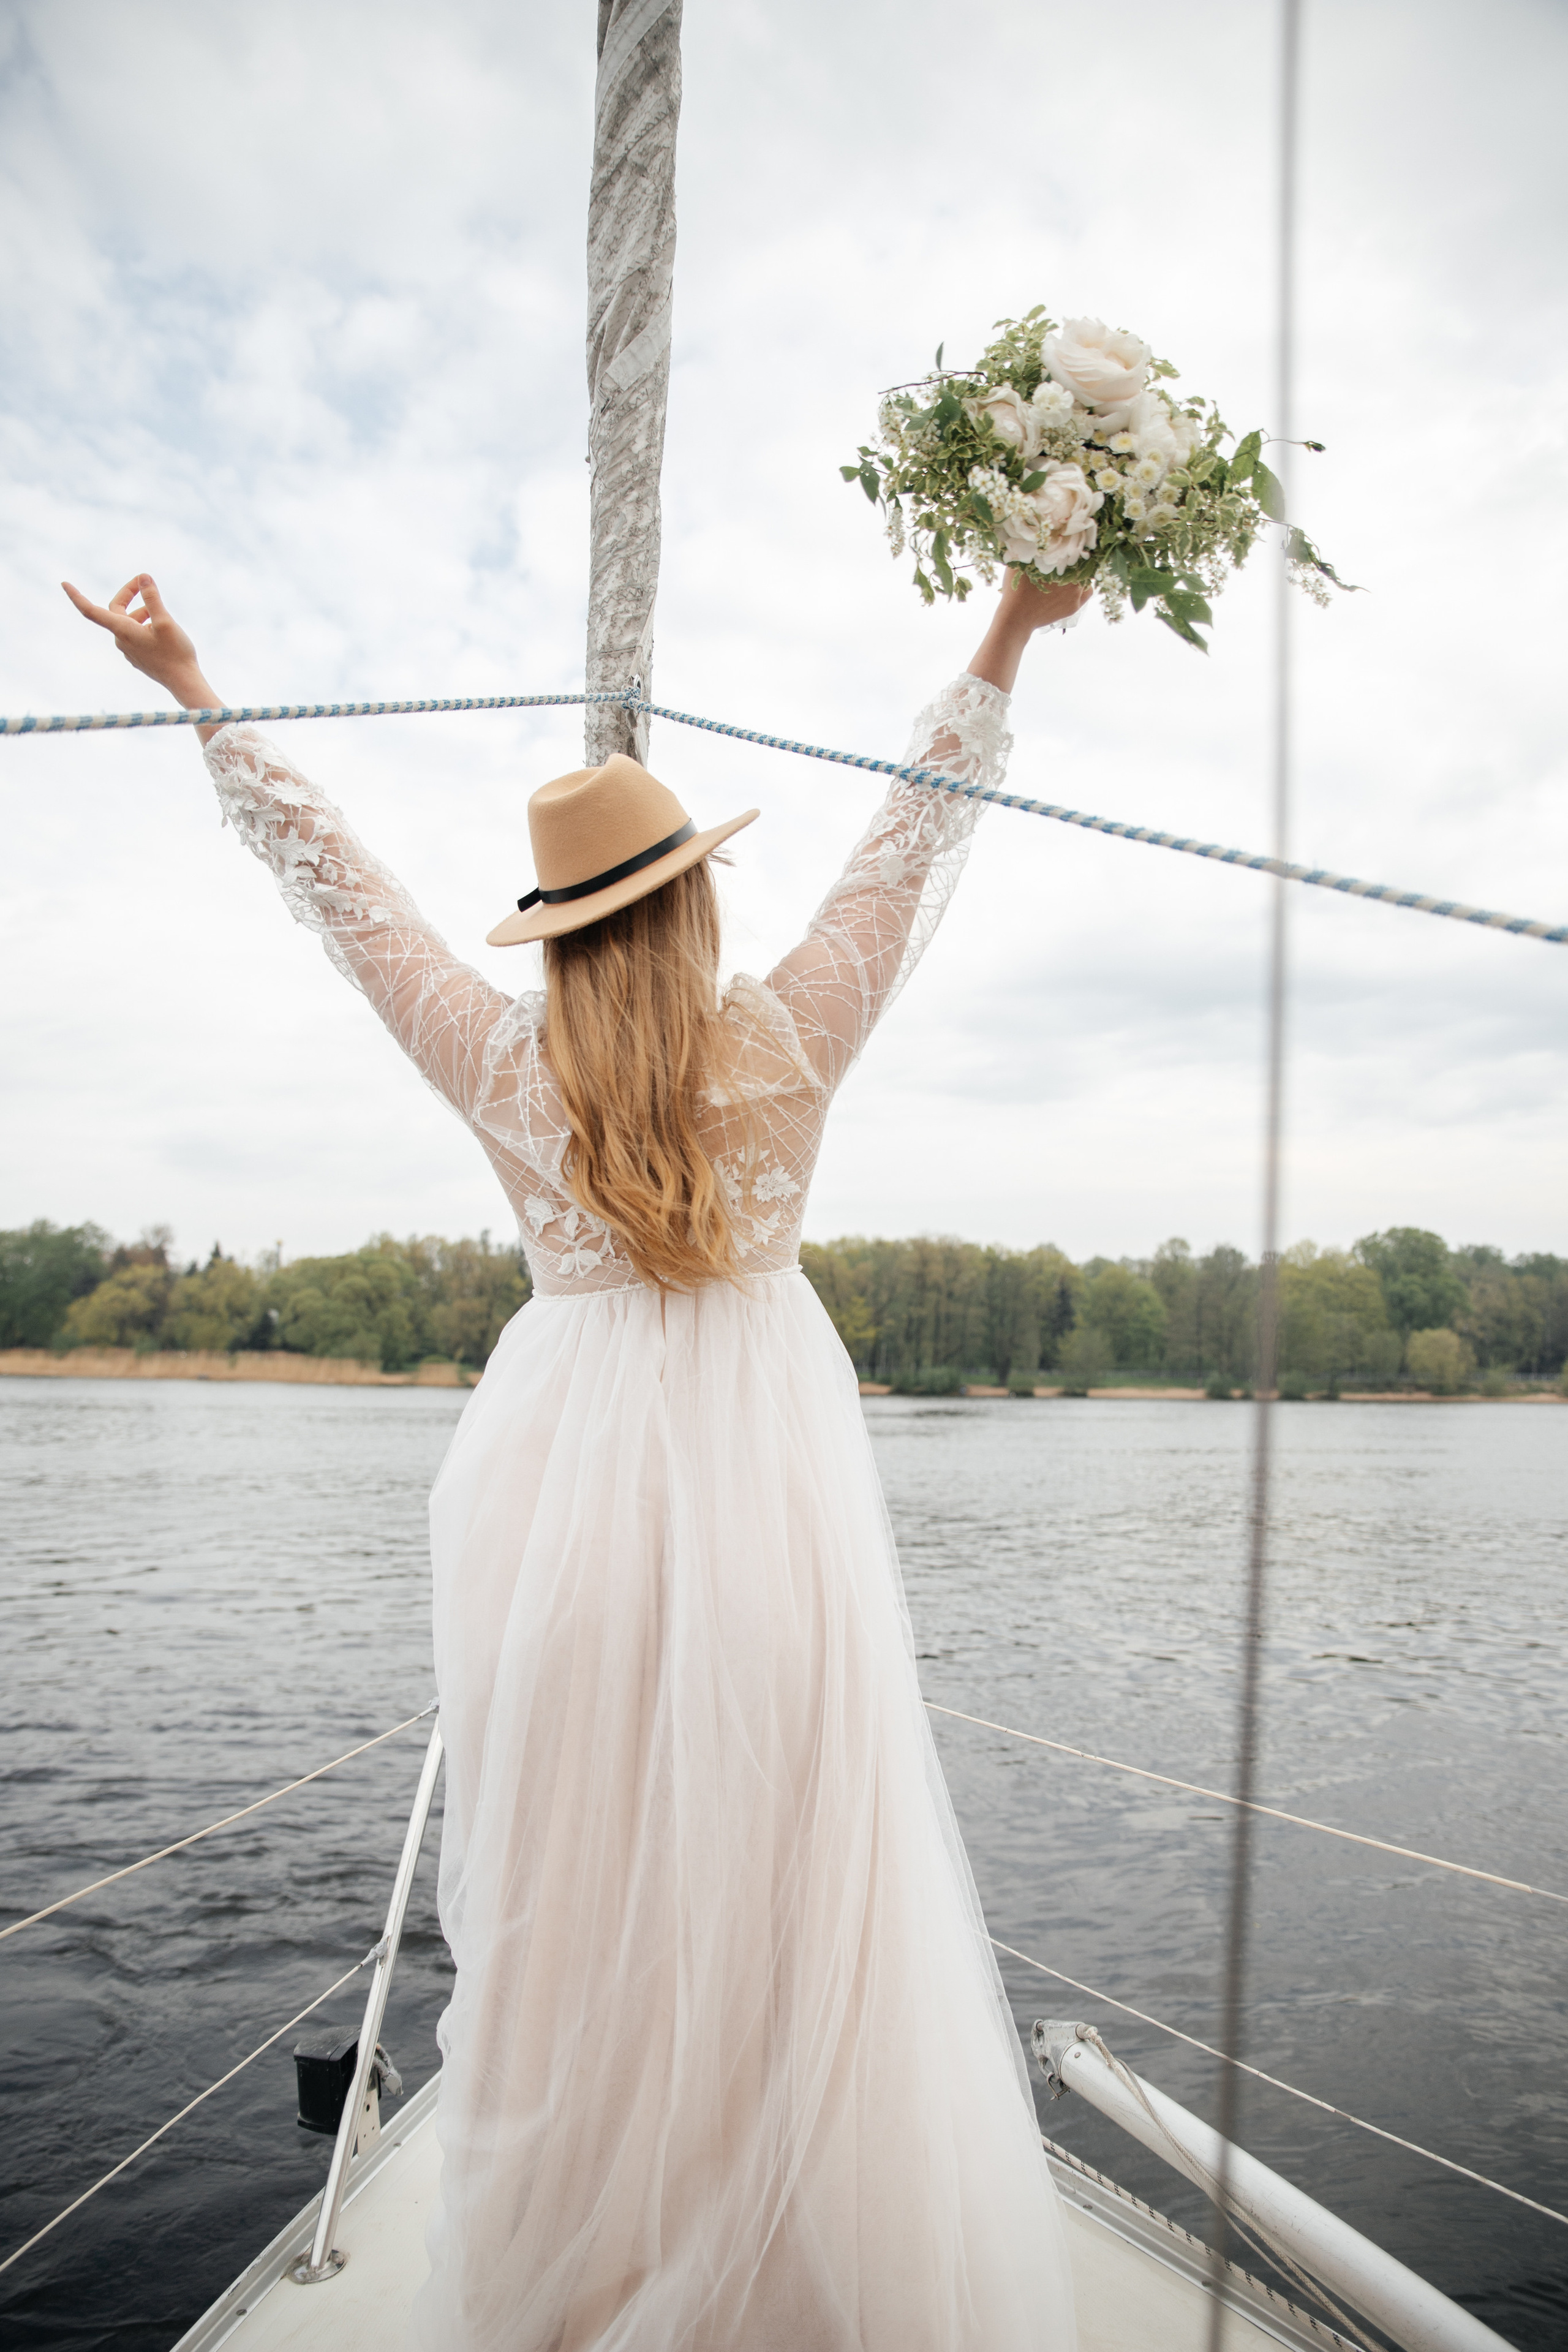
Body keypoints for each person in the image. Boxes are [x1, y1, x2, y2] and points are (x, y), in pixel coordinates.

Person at [66, 567, 1087, 2351]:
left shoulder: (499, 1062)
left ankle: (583, 2290)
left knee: (575, 1927)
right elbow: (910, 844)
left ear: (553, 935)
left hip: (556, 1543)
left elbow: (347, 899)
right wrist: (1008, 620)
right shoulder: (787, 1042)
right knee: (785, 1920)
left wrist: (195, 688)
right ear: (694, 901)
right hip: (772, 1534)